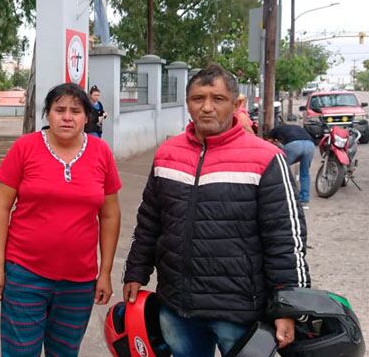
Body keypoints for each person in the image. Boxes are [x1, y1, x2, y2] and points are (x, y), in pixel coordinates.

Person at [122, 64, 310, 357]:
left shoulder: (266, 158)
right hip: (176, 306)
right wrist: (135, 272)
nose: (207, 107)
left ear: (236, 105)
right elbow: (150, 222)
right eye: (198, 99)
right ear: (188, 104)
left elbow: (285, 239)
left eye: (217, 99)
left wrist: (287, 307)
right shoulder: (167, 154)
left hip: (239, 311)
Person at [0, 83, 122, 357]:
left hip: (79, 281)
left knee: (65, 352)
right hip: (24, 274)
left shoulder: (101, 153)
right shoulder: (25, 148)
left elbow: (110, 214)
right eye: (59, 110)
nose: (67, 117)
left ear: (87, 116)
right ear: (47, 114)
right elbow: (1, 207)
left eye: (76, 110)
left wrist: (105, 272)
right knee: (20, 352)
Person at [268, 124, 315, 209]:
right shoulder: (297, 128)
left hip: (294, 145)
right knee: (305, 173)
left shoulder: (275, 130)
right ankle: (304, 201)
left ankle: (283, 197)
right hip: (310, 145)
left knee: (282, 169)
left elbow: (269, 142)